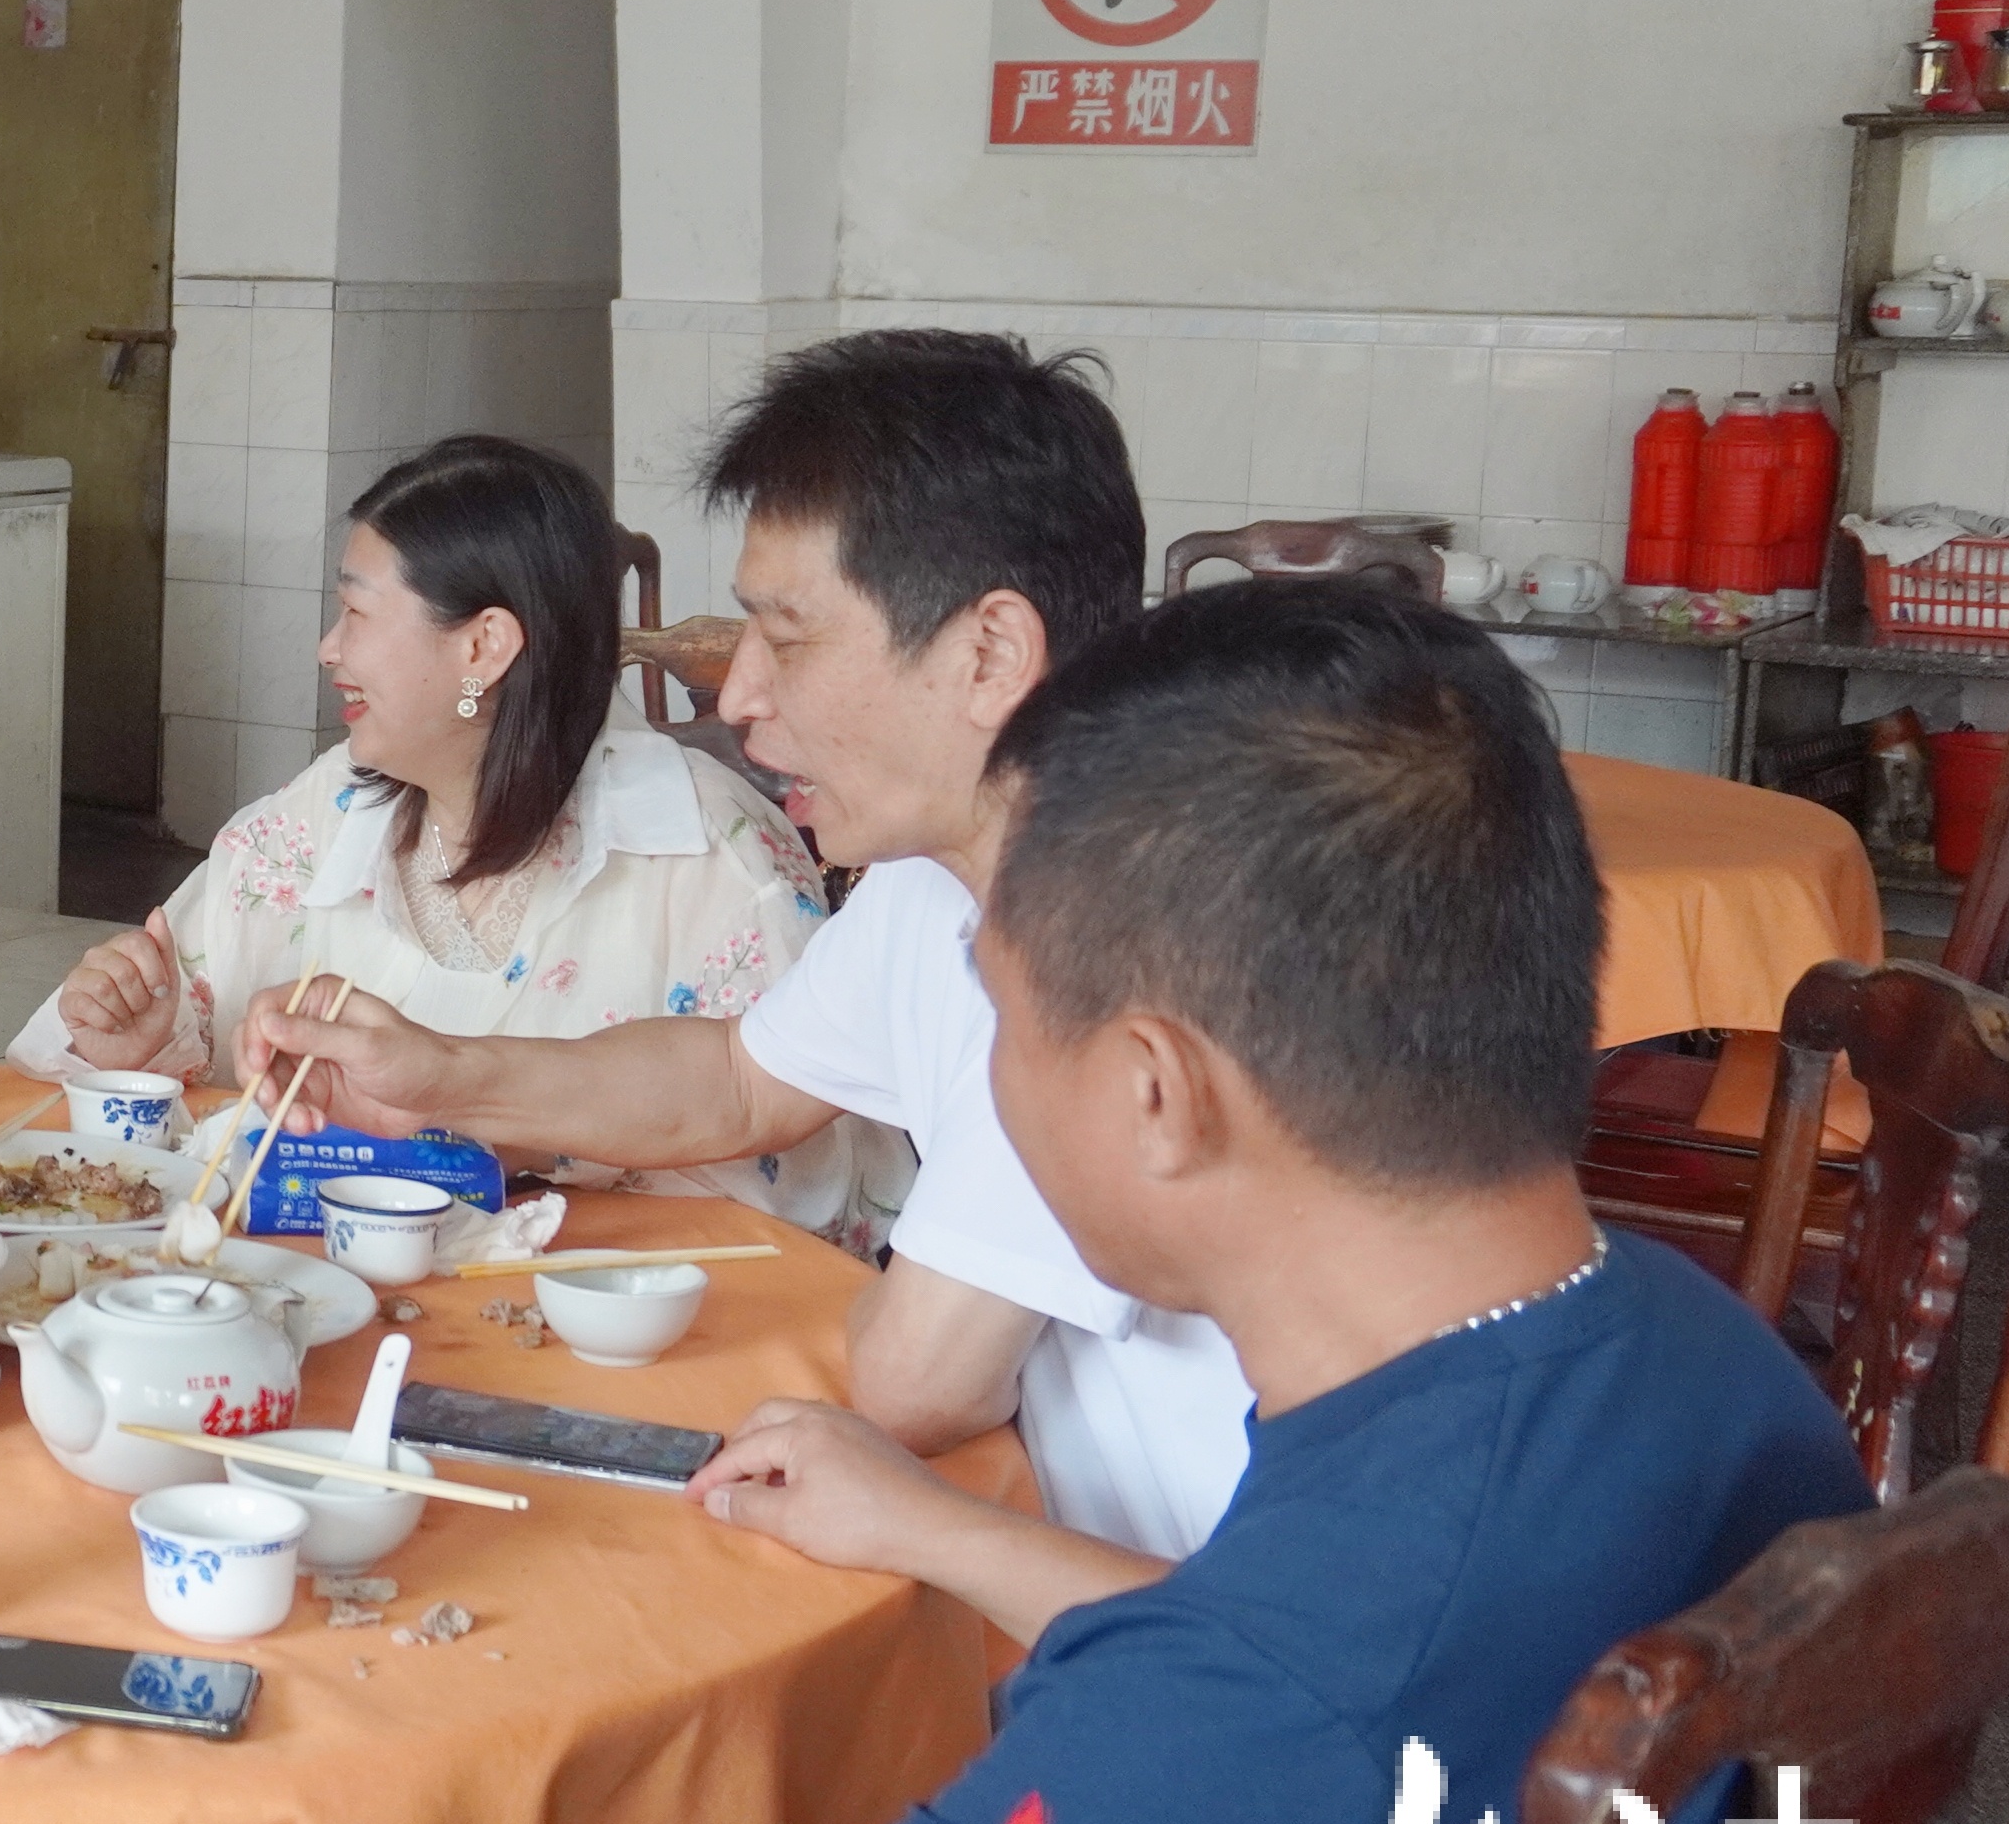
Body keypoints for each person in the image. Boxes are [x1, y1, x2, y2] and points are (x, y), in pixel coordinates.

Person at [3, 582, 1871, 1824]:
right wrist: (961, 1539)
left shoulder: (1272, 1710)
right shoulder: (1692, 1365)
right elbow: (1357, 1700)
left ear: (1155, 1091)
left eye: (1000, 1017)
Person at [243, 331, 1255, 1570]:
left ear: (989, 652)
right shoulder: (933, 877)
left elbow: (912, 1382)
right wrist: (442, 1071)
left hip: (1235, 1635)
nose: (737, 695)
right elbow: (739, 1078)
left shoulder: (1116, 930)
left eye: (790, 635)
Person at [10, 436, 886, 1247]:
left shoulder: (711, 860)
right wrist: (148, 1040)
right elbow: (195, 1059)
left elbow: (796, 1201)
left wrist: (488, 1150)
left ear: (484, 645)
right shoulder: (323, 816)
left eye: (356, 613)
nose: (327, 649)